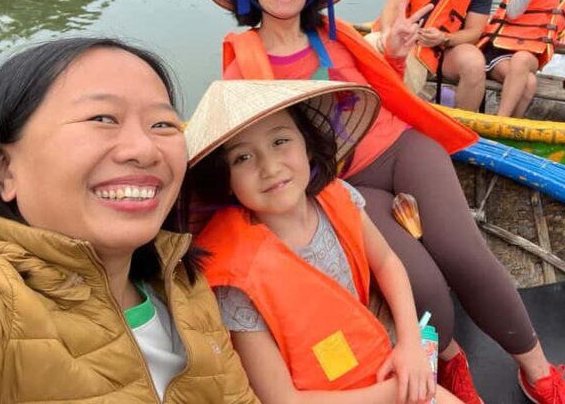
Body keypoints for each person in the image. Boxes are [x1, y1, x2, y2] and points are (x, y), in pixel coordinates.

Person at [204, 0, 565, 404]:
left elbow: (379, 85)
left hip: (399, 145)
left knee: (464, 254)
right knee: (423, 286)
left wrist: (393, 51)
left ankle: (537, 374)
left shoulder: (337, 33)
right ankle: (448, 361)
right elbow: (239, 145)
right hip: (340, 183)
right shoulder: (242, 63)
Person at [0, 38, 257, 404]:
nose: (144, 150)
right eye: (102, 119)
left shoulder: (186, 287)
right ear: (4, 169)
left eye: (162, 124)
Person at [186, 79, 463, 404]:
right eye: (243, 158)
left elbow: (387, 262)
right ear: (227, 181)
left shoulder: (340, 198)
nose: (270, 167)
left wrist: (410, 343)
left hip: (379, 360)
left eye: (280, 141)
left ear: (306, 144)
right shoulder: (236, 283)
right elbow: (282, 399)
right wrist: (390, 394)